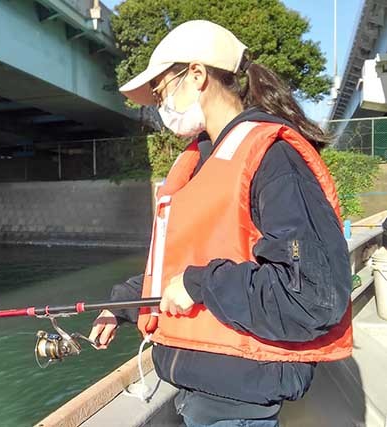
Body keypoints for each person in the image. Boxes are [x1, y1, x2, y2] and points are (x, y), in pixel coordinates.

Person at [88, 20, 352, 427]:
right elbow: (189, 262)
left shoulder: (274, 158)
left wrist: (199, 284)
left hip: (240, 407)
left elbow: (311, 295)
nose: (160, 107)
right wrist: (120, 305)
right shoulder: (199, 161)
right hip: (199, 395)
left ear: (197, 75)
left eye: (160, 92)